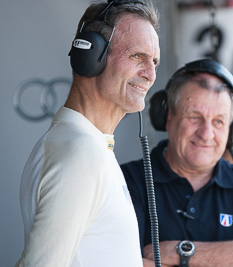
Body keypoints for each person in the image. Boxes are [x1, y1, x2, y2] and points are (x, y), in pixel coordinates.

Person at [16, 1, 160, 266]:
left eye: (154, 61)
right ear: (91, 56)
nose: (150, 74)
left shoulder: (90, 145)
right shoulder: (80, 152)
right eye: (137, 56)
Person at [121, 59, 233, 267]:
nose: (206, 134)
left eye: (218, 121)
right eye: (194, 117)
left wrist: (180, 253)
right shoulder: (127, 181)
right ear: (167, 117)